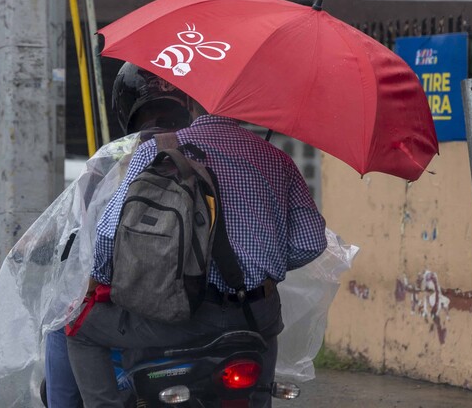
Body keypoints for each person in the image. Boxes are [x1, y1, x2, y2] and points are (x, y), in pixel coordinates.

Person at [66, 100, 328, 407]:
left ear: (190, 103)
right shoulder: (278, 159)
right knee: (258, 391)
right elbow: (310, 242)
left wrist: (98, 279)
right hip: (256, 316)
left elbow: (109, 233)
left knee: (79, 330)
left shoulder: (157, 150)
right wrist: (261, 265)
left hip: (181, 314)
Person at [44, 62, 194, 408]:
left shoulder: (112, 160)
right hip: (215, 304)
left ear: (125, 106)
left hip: (136, 307)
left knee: (63, 323)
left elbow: (94, 242)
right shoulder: (213, 152)